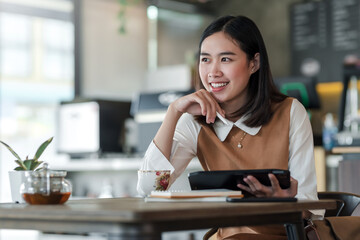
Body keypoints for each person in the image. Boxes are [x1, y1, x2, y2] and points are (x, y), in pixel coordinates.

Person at [137, 15, 323, 240]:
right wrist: (173, 112)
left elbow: (309, 209)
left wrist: (281, 203)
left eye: (225, 59)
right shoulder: (194, 121)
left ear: (254, 63)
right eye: (205, 60)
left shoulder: (290, 112)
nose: (213, 72)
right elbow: (149, 190)